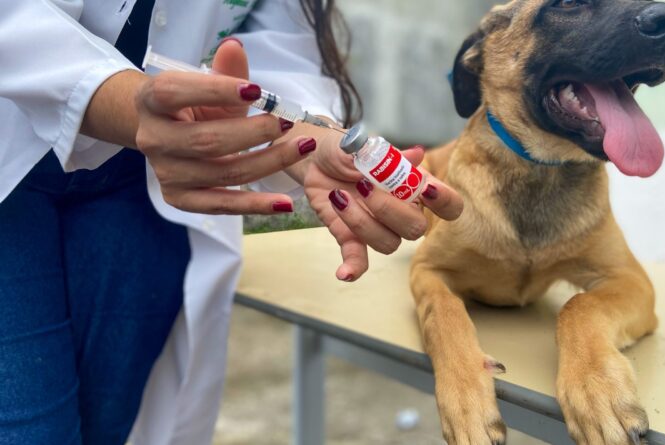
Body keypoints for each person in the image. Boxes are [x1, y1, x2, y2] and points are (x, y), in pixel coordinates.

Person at [0, 1, 463, 444]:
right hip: (15, 146)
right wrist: (122, 99)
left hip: (141, 173)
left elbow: (275, 31)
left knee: (105, 420)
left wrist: (304, 131)